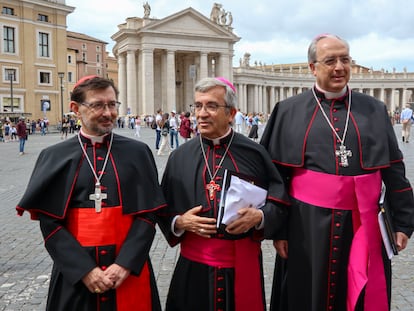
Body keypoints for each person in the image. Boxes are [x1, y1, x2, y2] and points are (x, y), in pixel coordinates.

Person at [260, 34, 414, 311]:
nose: (340, 67)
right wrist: (278, 229)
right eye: (330, 60)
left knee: (362, 295)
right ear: (312, 67)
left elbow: (394, 171)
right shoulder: (287, 111)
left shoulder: (375, 109)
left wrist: (403, 223)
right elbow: (275, 177)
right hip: (306, 228)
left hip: (365, 225)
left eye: (345, 59)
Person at [16, 76, 166, 311]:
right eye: (98, 105)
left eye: (112, 104)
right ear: (75, 109)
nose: (108, 112)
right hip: (75, 276)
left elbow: (148, 215)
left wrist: (125, 264)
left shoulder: (138, 152)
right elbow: (50, 222)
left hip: (129, 271)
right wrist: (85, 270)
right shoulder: (54, 156)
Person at [157, 77, 289, 311]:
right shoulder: (179, 157)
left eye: (211, 106)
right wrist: (180, 221)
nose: (202, 113)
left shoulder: (256, 153)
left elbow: (279, 201)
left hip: (242, 264)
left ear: (231, 113)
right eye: (198, 106)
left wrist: (260, 217)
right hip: (193, 268)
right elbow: (162, 209)